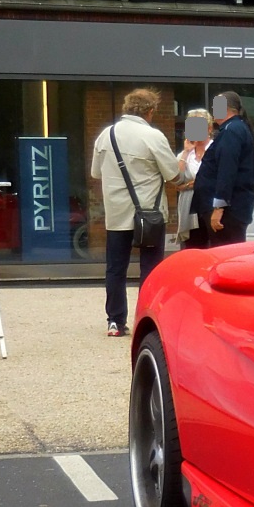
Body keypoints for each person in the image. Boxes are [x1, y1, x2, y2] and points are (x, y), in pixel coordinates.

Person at [91, 87, 181, 337]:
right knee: (150, 268)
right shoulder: (153, 136)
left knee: (115, 268)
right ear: (150, 111)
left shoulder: (106, 135)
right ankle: (146, 318)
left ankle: (115, 321)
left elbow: (96, 173)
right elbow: (173, 174)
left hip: (116, 214)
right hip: (149, 214)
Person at [189, 90, 254, 248]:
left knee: (224, 253)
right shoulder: (236, 129)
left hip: (227, 213)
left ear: (226, 108)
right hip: (233, 207)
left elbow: (227, 170)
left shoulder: (231, 131)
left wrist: (219, 207)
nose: (213, 110)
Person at [174, 107, 213, 249]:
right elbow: (177, 181)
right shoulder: (185, 155)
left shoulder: (215, 149)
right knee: (193, 247)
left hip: (211, 205)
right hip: (190, 207)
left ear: (209, 129)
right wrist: (185, 153)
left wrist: (189, 185)